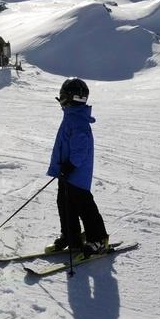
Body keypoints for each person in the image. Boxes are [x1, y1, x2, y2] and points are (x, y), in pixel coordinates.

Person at [45, 78, 110, 257]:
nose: (61, 100)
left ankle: (98, 239)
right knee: (65, 204)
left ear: (68, 98)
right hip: (67, 172)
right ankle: (70, 236)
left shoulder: (78, 121)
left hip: (76, 174)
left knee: (84, 206)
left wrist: (70, 165)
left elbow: (81, 150)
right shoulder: (72, 115)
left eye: (62, 96)